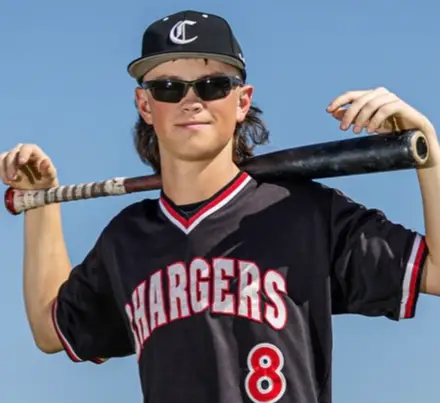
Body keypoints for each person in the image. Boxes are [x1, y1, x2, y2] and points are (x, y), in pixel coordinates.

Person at [1, 9, 440, 403]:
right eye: (168, 88)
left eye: (213, 85)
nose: (191, 101)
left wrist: (430, 152)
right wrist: (42, 202)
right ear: (145, 105)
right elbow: (50, 329)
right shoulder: (127, 237)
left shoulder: (305, 211)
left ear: (242, 100)